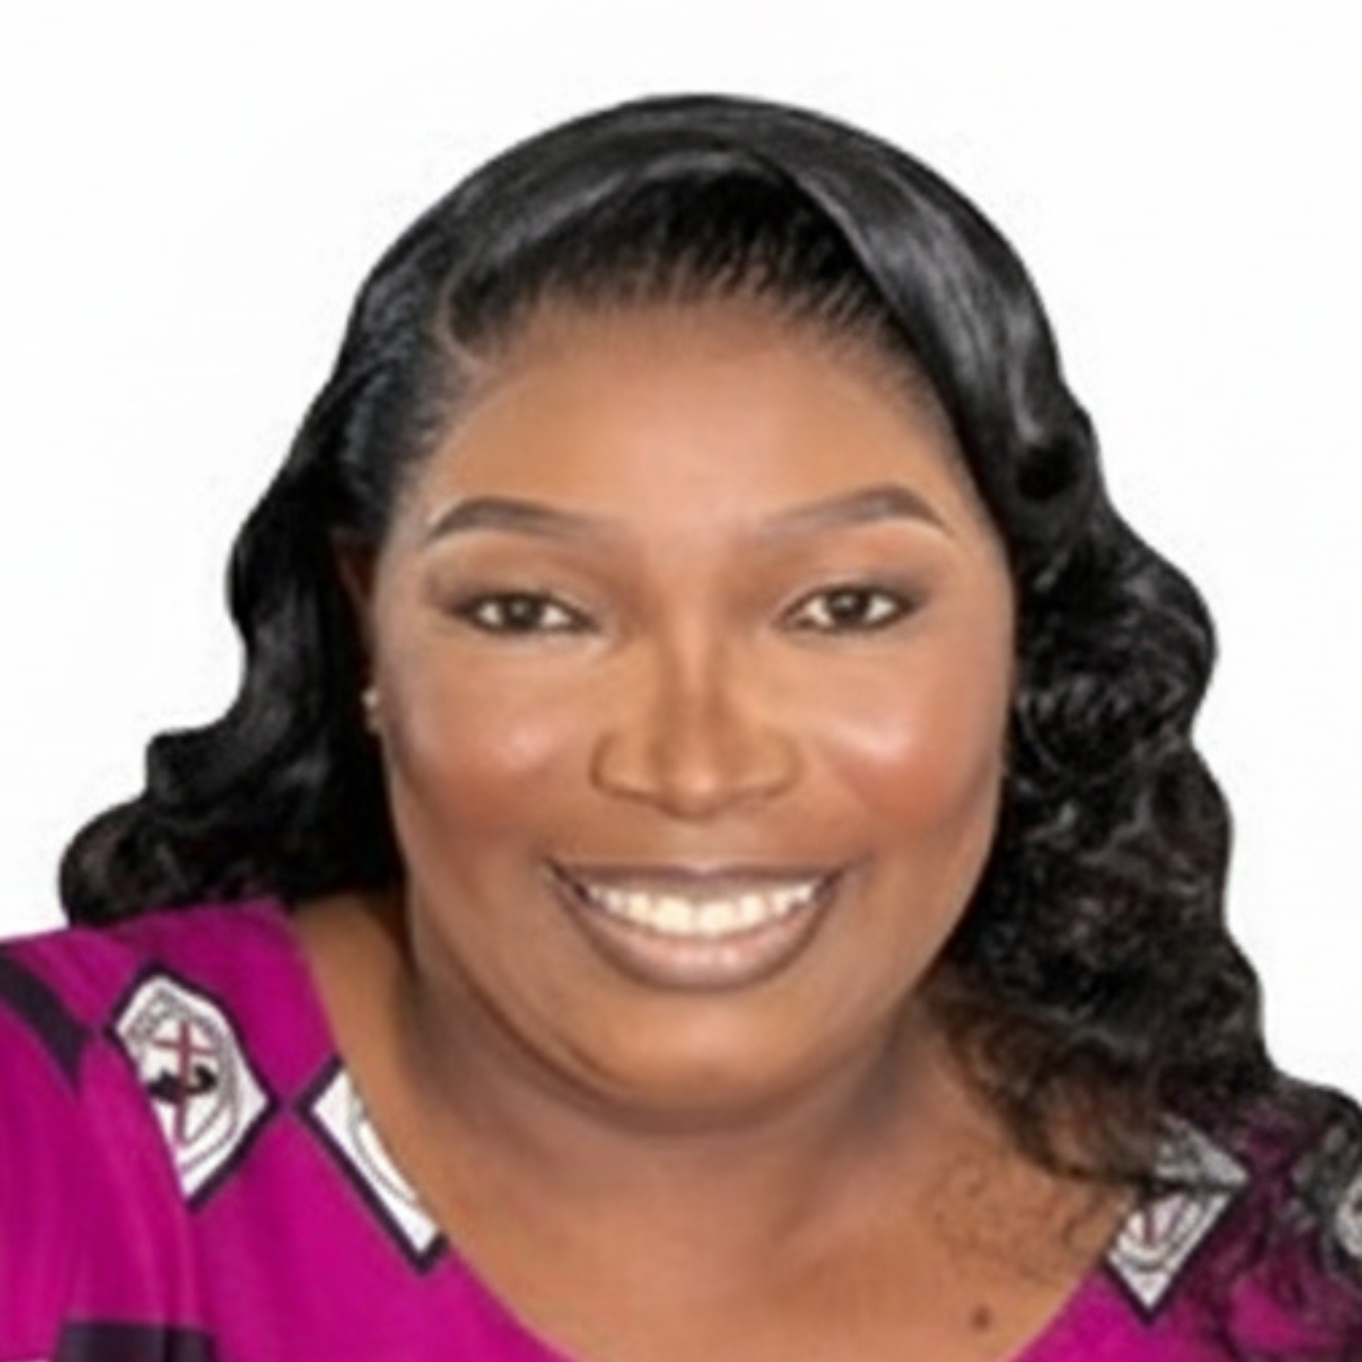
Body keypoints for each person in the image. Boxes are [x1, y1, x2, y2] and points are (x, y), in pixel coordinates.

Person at [2, 92, 1359, 1362]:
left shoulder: (1290, 1279)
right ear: (371, 633)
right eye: (534, 611)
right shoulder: (57, 1145)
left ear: (1023, 637)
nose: (694, 765)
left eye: (844, 606)